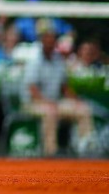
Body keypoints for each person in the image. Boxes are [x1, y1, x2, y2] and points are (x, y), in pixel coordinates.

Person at [20, 20, 96, 157]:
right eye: (47, 36)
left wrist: (75, 100)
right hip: (33, 103)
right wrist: (46, 103)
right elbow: (32, 89)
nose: (50, 39)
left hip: (54, 102)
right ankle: (51, 153)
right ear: (41, 39)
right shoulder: (34, 59)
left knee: (83, 109)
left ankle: (86, 149)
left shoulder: (58, 59)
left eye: (53, 36)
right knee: (50, 112)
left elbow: (64, 87)